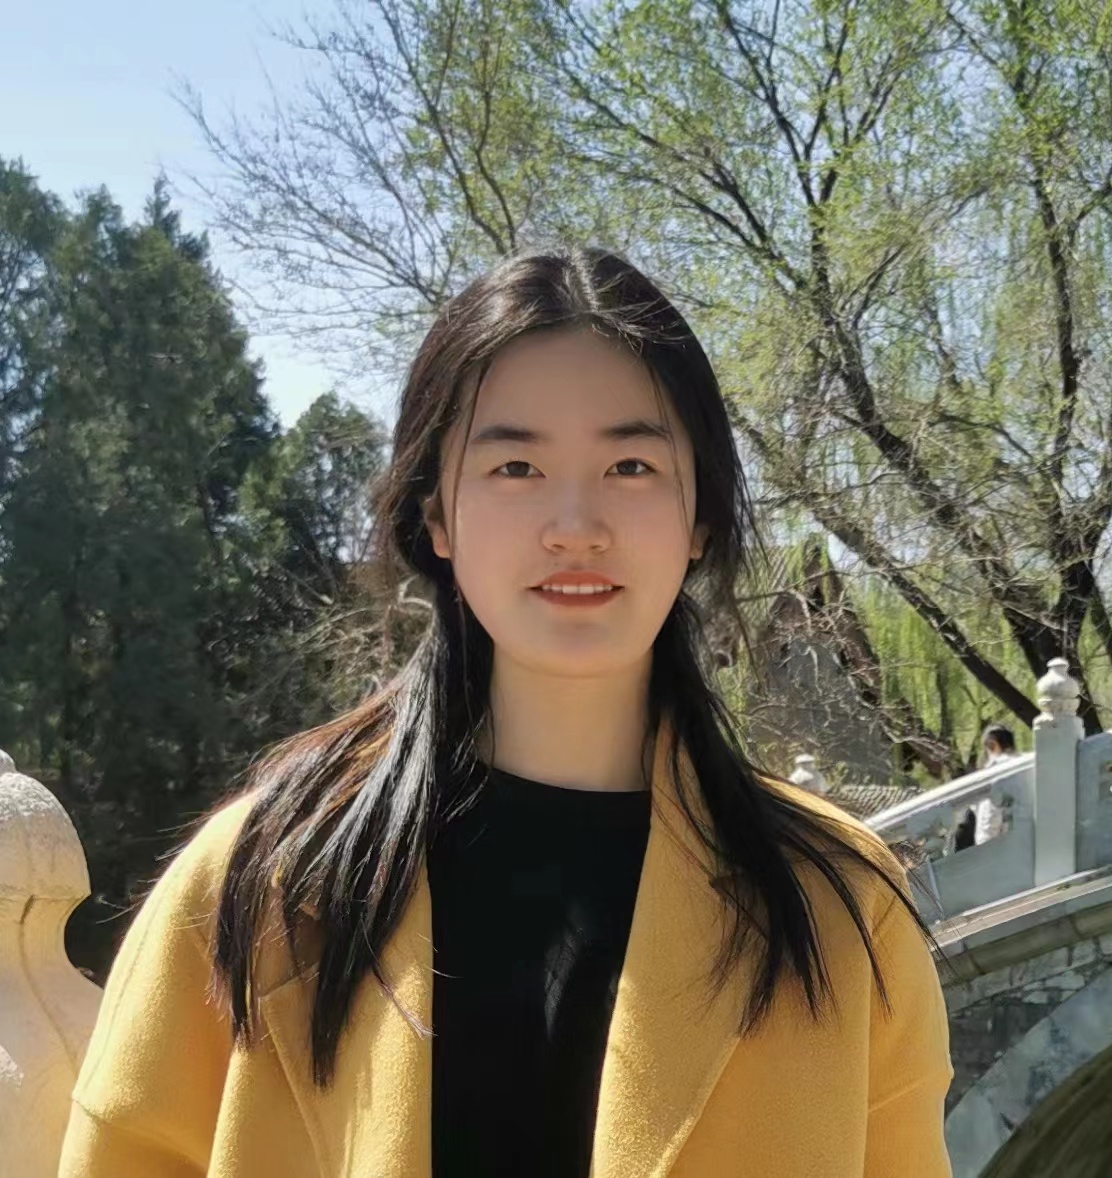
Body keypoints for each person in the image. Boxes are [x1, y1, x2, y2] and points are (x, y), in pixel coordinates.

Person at [59, 249, 952, 1177]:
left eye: (632, 465)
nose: (575, 525)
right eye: (516, 466)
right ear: (436, 516)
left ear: (701, 519)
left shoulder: (840, 910)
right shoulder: (259, 883)